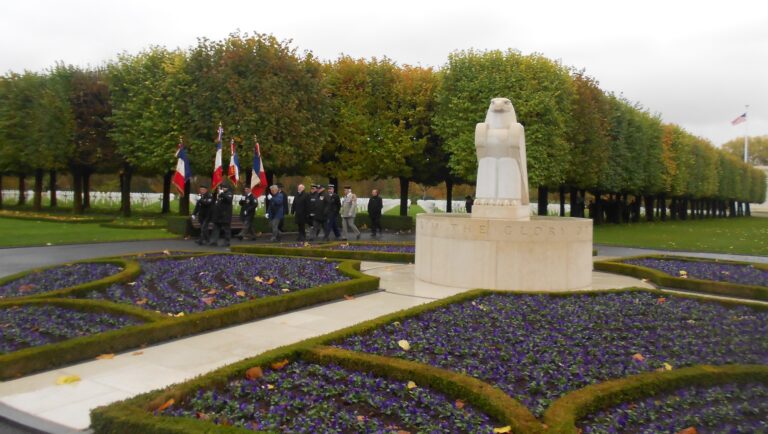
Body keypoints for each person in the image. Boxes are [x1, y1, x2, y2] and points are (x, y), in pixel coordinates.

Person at [209, 182, 234, 247]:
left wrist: (222, 193)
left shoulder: (229, 193)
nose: (222, 189)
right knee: (215, 229)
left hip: (225, 215)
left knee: (226, 229)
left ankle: (227, 242)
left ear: (227, 188)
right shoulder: (219, 195)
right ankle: (213, 241)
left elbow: (229, 199)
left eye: (224, 187)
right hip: (218, 215)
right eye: (221, 188)